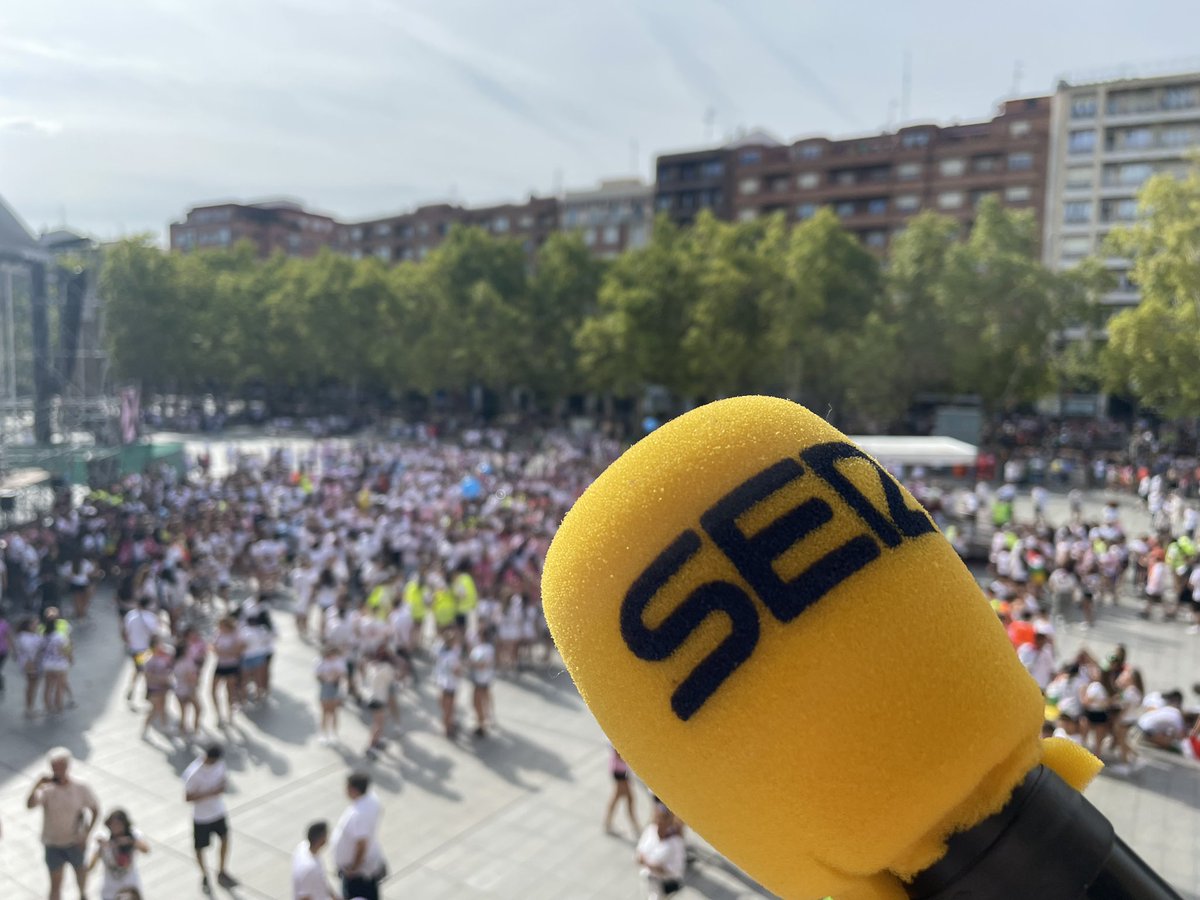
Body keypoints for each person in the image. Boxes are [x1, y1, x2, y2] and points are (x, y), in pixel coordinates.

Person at [26, 747, 100, 900]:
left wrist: (86, 834)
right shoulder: (47, 789)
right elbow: (30, 804)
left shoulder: (80, 787)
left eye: (60, 766)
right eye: (54, 767)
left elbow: (95, 809)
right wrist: (37, 784)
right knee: (55, 884)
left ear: (67, 766)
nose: (57, 771)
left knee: (81, 873)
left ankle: (83, 894)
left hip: (75, 842)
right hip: (53, 843)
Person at [183, 743, 238, 894]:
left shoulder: (220, 764)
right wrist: (210, 793)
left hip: (218, 812)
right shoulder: (194, 772)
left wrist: (220, 789)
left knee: (225, 839)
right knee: (200, 848)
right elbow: (187, 797)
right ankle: (204, 874)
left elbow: (223, 781)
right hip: (201, 817)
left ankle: (222, 870)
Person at [331, 773, 386, 900]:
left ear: (353, 790)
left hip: (358, 874)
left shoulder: (359, 815)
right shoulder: (371, 799)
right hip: (367, 867)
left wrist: (353, 868)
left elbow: (361, 845)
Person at [88, 808, 149, 900]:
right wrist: (100, 850)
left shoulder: (133, 835)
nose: (115, 827)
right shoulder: (105, 839)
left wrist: (128, 841)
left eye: (118, 824)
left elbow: (146, 849)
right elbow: (90, 866)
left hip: (130, 887)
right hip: (111, 889)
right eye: (113, 824)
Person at [635, 803, 687, 899]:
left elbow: (678, 869)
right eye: (657, 818)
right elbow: (640, 852)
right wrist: (648, 863)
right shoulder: (651, 830)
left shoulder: (675, 843)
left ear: (668, 822)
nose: (658, 822)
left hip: (663, 886)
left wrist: (659, 868)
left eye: (661, 819)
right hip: (649, 880)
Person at [122, 597, 161, 706]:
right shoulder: (150, 618)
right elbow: (155, 634)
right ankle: (145, 691)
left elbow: (125, 632)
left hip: (134, 649)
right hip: (145, 650)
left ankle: (133, 689)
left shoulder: (130, 615)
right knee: (144, 671)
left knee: (138, 670)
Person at [292, 820, 340, 900]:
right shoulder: (309, 868)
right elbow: (304, 897)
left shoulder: (302, 847)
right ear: (321, 839)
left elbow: (322, 881)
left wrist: (334, 897)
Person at [604, 746, 640, 837]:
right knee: (629, 798)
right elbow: (618, 755)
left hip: (620, 770)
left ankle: (608, 823)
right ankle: (635, 826)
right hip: (620, 771)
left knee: (622, 797)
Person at [468, 625, 497, 737]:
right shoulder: (479, 648)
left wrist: (472, 664)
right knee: (479, 702)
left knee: (478, 702)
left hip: (482, 679)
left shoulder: (488, 649)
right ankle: (482, 721)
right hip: (477, 679)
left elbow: (484, 664)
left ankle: (482, 724)